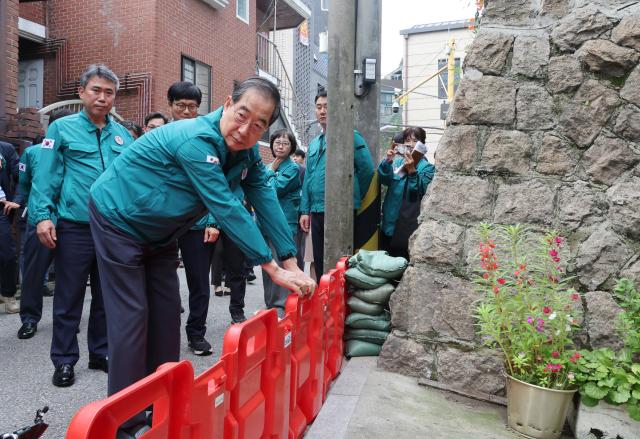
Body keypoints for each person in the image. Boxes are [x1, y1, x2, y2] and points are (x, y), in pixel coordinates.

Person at [87, 77, 315, 432]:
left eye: (258, 125)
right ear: (226, 104)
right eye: (242, 115)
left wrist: (289, 260)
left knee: (165, 317)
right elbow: (225, 205)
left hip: (162, 232)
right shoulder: (197, 139)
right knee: (133, 317)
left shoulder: (247, 153)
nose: (245, 129)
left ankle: (163, 408)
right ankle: (125, 422)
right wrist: (270, 266)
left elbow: (263, 197)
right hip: (118, 220)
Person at [30, 64, 133, 388]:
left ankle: (100, 351)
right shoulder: (61, 129)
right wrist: (43, 216)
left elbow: (130, 182)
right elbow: (45, 176)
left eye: (109, 93)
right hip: (74, 226)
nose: (102, 98)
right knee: (68, 296)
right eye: (96, 90)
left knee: (106, 296)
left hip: (112, 229)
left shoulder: (123, 135)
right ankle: (63, 359)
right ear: (81, 92)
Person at [299, 88, 374, 281]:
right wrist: (305, 210)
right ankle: (324, 305)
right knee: (320, 260)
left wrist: (353, 196)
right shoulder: (315, 143)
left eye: (327, 106)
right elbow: (308, 177)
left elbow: (366, 170)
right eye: (319, 107)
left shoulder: (350, 136)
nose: (322, 111)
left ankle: (341, 307)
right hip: (316, 210)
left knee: (342, 262)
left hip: (341, 210)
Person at [167, 81, 219, 356]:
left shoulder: (206, 139)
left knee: (199, 282)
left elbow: (216, 184)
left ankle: (196, 334)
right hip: (163, 224)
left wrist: (212, 221)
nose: (187, 112)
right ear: (170, 106)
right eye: (181, 106)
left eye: (192, 107)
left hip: (198, 224)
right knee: (161, 280)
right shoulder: (160, 137)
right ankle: (161, 336)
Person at [17, 108, 74, 339]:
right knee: (34, 271)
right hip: (41, 218)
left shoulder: (77, 152)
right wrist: (38, 209)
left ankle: (67, 319)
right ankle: (29, 318)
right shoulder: (32, 153)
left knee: (69, 274)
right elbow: (25, 183)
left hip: (71, 220)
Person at [378, 127, 435, 260]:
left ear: (422, 145)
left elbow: (416, 193)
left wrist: (412, 171)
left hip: (407, 227)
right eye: (407, 140)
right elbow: (384, 180)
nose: (410, 144)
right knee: (384, 262)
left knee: (402, 264)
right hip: (388, 222)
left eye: (415, 141)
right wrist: (388, 161)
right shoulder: (397, 162)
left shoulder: (427, 168)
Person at [261, 129, 301, 315]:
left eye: (285, 143)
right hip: (265, 222)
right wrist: (271, 172)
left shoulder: (292, 167)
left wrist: (270, 173)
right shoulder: (269, 166)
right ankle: (270, 304)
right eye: (277, 142)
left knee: (282, 263)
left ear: (292, 147)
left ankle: (282, 306)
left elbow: (273, 189)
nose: (280, 146)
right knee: (268, 264)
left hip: (283, 223)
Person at [0, 140, 20, 314]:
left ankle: (8, 294)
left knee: (7, 253)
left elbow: (21, 176)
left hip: (1, 207)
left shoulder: (5, 149)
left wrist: (17, 200)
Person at [292, 148, 306, 270]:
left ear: (303, 158)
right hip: (296, 212)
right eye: (294, 156)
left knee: (297, 247)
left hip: (299, 213)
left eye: (297, 156)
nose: (295, 158)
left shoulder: (302, 170)